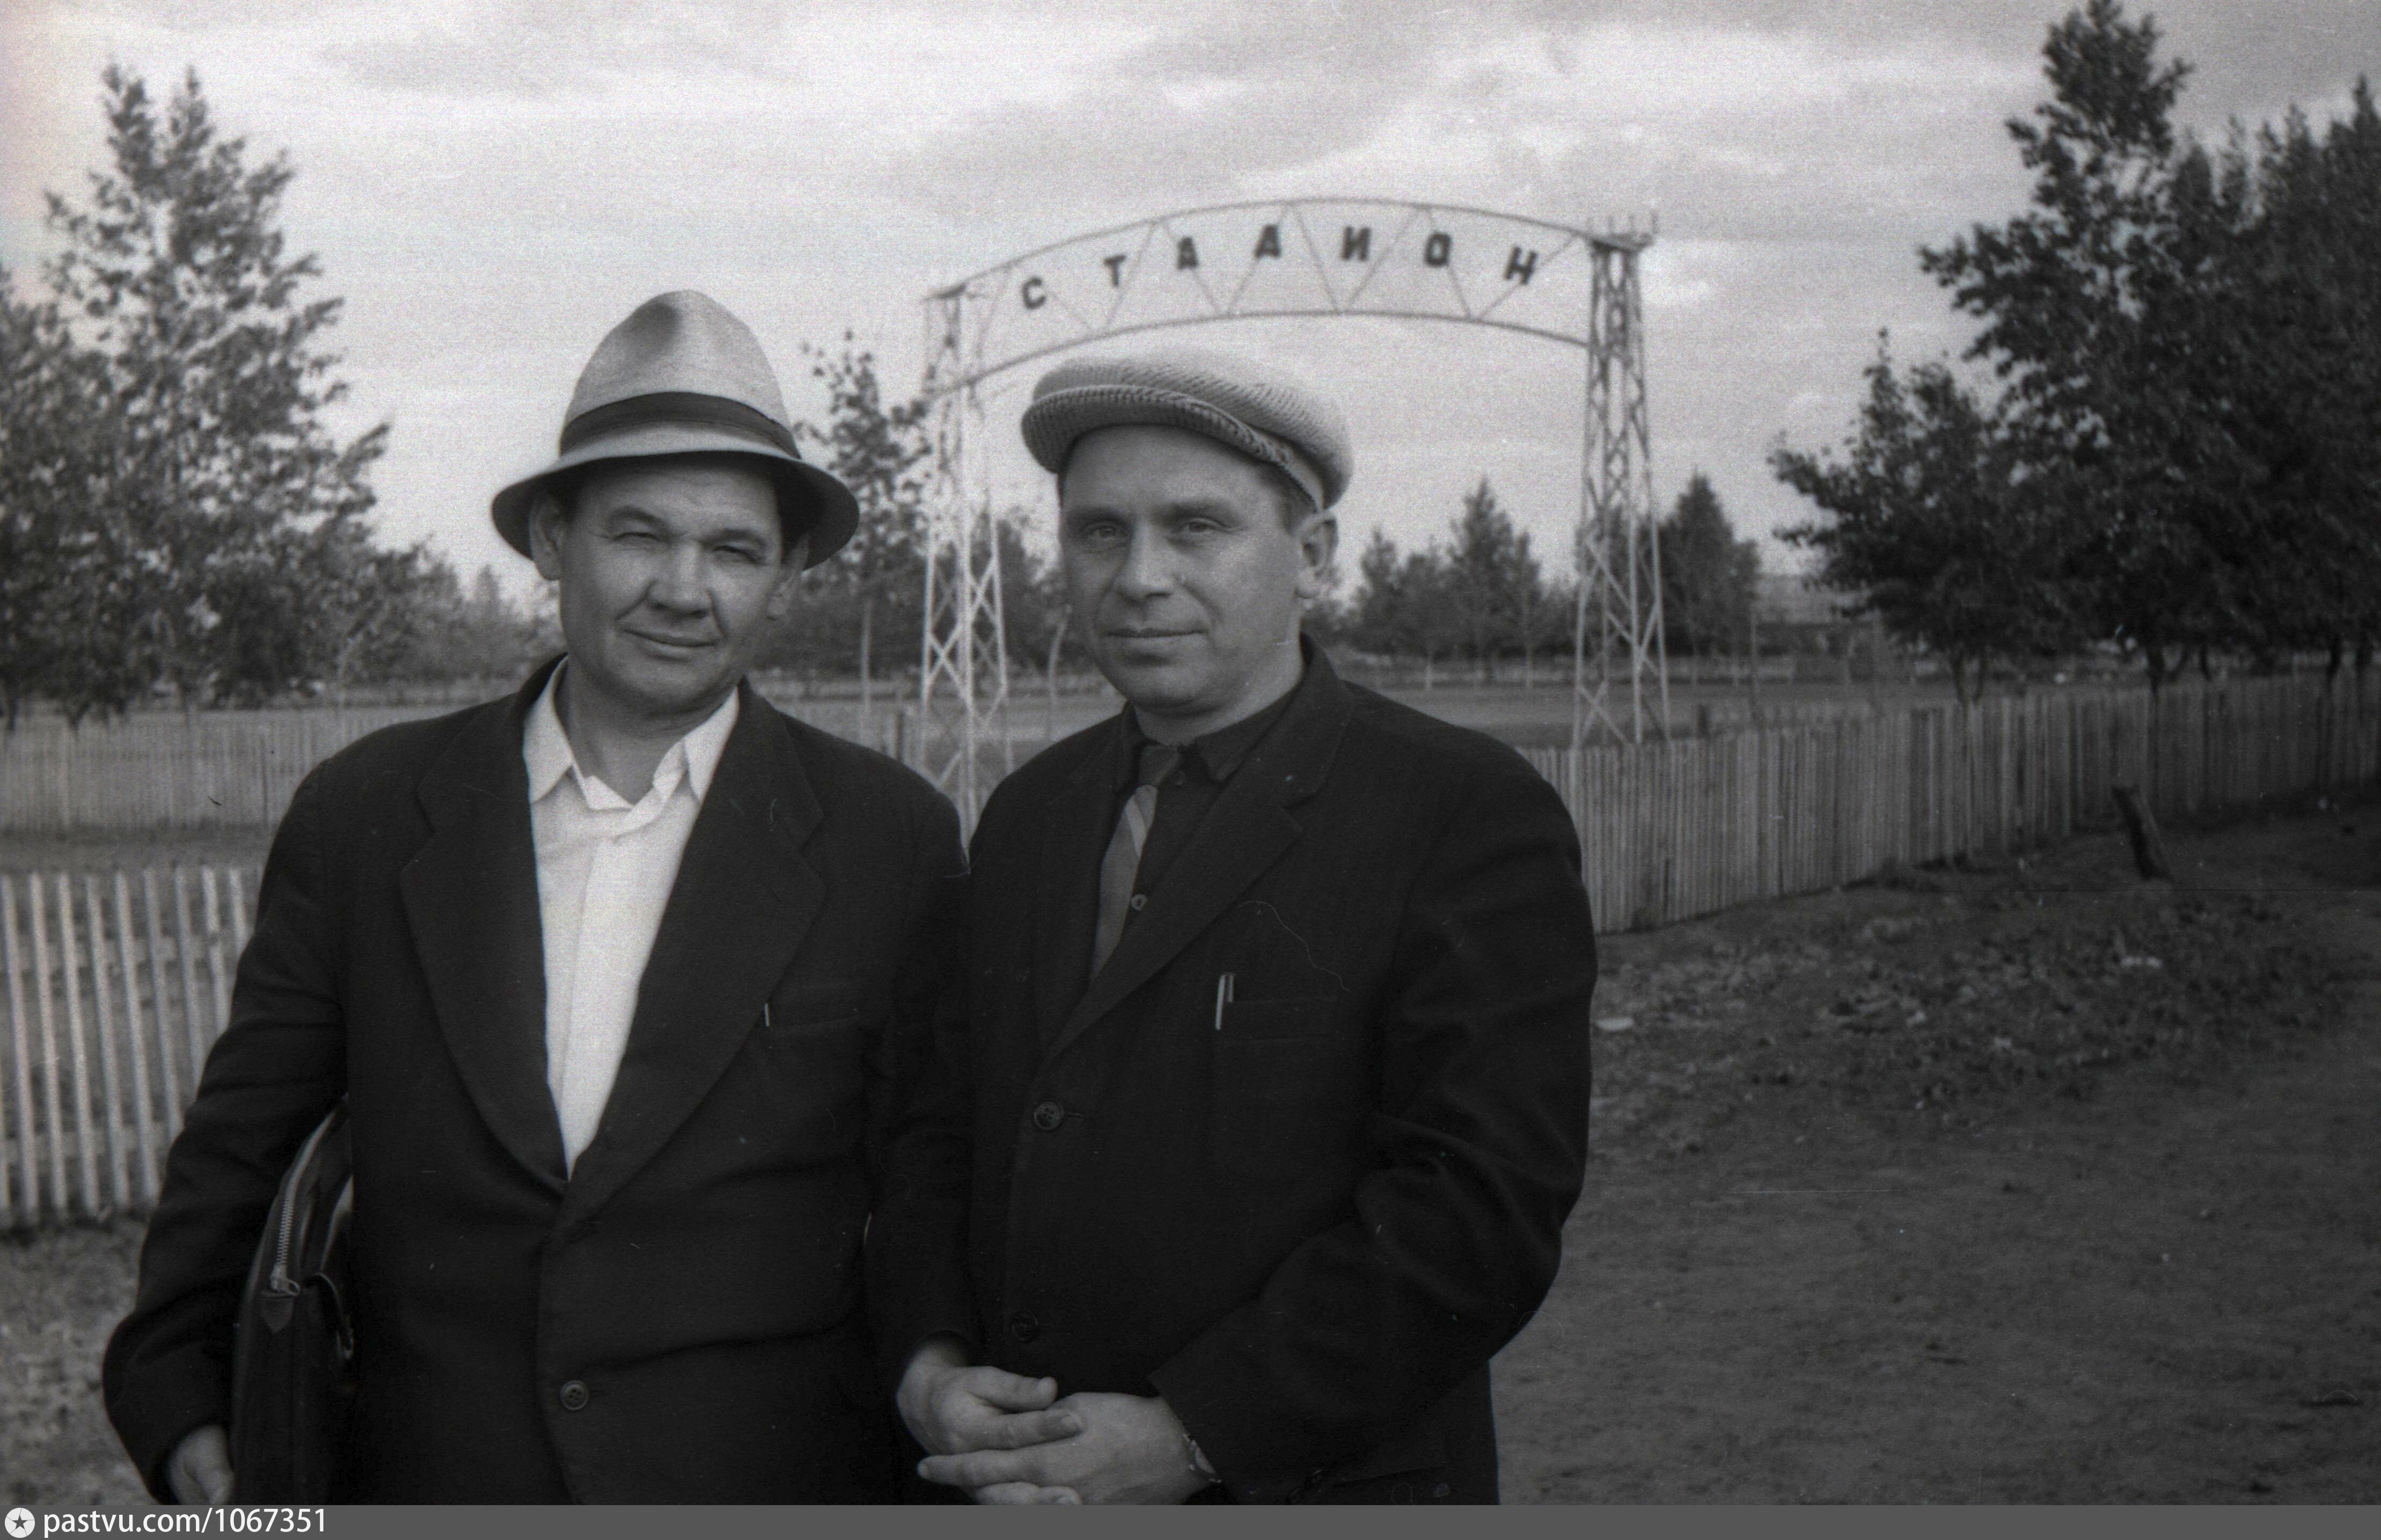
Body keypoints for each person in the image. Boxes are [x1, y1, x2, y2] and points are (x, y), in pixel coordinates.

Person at [104, 291, 964, 1502]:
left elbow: (927, 1173)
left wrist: (936, 1374)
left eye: (733, 550)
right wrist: (176, 1390)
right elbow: (244, 1136)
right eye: (638, 534)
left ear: (787, 575)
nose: (684, 588)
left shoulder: (891, 837)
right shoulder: (368, 812)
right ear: (553, 541)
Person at [871, 348, 1596, 1504]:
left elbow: (1477, 1207)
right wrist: (930, 1363)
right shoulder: (1030, 813)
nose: (1138, 577)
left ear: (1315, 555)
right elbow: (941, 1131)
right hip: (1011, 1478)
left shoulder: (1459, 811)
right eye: (1098, 532)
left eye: (1196, 527)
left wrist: (1194, 1434)